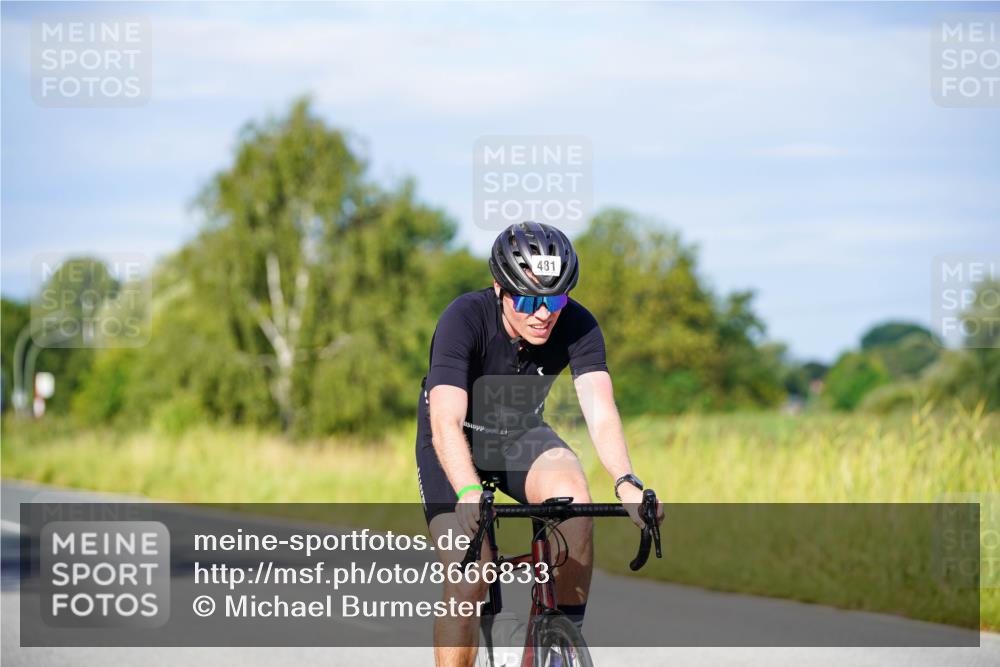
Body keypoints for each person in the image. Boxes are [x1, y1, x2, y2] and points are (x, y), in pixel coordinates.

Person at [415, 221, 664, 667]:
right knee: (472, 573)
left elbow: (600, 411)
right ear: (499, 288)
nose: (543, 313)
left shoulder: (579, 324)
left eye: (555, 299)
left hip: (516, 435)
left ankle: (554, 643)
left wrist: (626, 480)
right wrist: (470, 492)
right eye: (528, 299)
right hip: (453, 442)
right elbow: (446, 420)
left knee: (575, 506)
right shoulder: (463, 318)